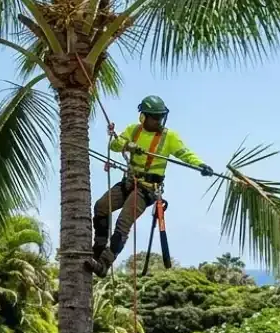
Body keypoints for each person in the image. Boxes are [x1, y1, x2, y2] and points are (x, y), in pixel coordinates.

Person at [86, 95, 214, 277]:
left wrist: (200, 165)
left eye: (160, 117)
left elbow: (185, 154)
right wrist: (129, 146)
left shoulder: (169, 137)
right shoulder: (133, 130)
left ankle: (104, 264)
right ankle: (97, 250)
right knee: (101, 207)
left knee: (123, 223)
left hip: (147, 189)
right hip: (129, 182)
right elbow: (115, 145)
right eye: (154, 117)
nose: (158, 121)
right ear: (143, 117)